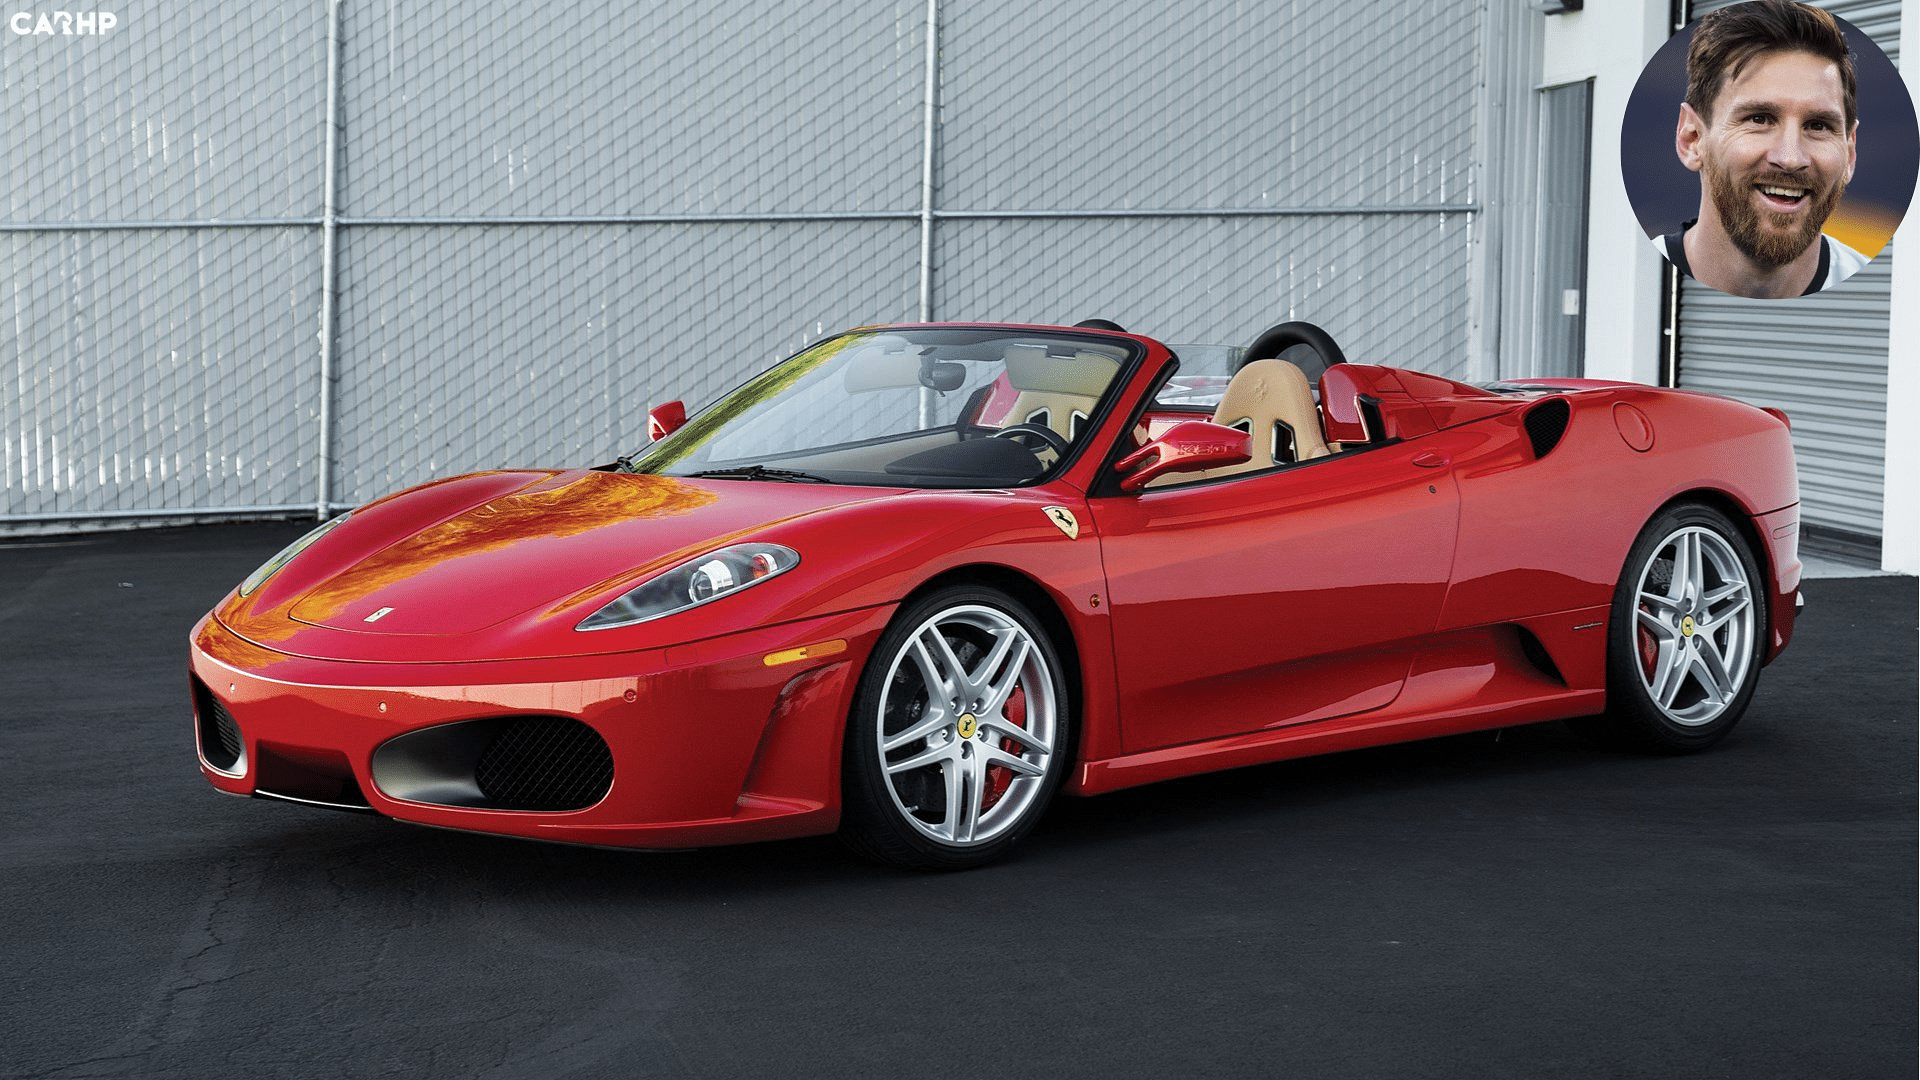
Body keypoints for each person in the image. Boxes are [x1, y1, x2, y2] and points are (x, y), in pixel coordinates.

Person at [1659, 1, 1867, 298]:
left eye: (1818, 126)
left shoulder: (1882, 291)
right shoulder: (1636, 280)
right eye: (1759, 119)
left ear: (1849, 154)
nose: (1791, 158)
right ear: (1692, 139)